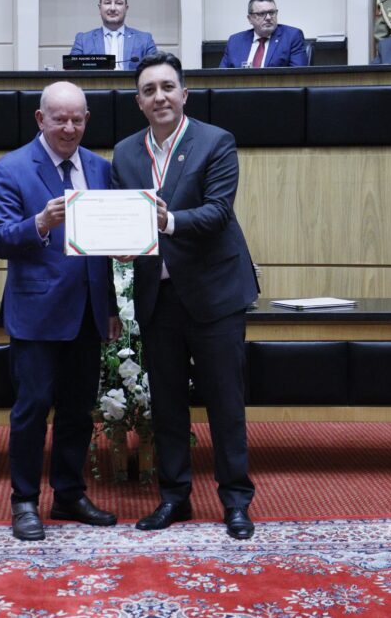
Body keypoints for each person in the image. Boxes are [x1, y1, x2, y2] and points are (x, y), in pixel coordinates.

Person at [111, 52, 259, 540]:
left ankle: (235, 500)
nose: (160, 97)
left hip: (215, 294)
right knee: (168, 404)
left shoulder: (216, 142)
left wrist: (165, 221)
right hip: (160, 296)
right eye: (149, 90)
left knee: (224, 401)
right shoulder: (126, 153)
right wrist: (121, 245)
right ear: (139, 101)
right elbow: (122, 227)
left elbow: (217, 213)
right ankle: (175, 497)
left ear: (184, 94)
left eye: (168, 87)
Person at [0, 81, 121, 540]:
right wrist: (40, 222)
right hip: (37, 315)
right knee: (32, 409)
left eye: (78, 119)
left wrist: (112, 308)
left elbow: (106, 246)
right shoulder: (11, 168)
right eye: (60, 118)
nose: (69, 127)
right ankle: (24, 501)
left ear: (87, 120)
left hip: (89, 312)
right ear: (40, 119)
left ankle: (68, 494)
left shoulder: (101, 170)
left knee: (78, 411)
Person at [70, 0, 157, 70]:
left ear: (126, 9)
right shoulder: (83, 40)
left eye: (118, 3)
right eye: (107, 3)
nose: (112, 8)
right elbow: (72, 71)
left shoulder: (145, 40)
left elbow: (155, 71)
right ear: (100, 8)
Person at [219, 0, 307, 68]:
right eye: (261, 14)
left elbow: (298, 77)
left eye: (272, 13)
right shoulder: (235, 41)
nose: (268, 18)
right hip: (241, 87)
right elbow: (221, 78)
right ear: (250, 19)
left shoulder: (291, 37)